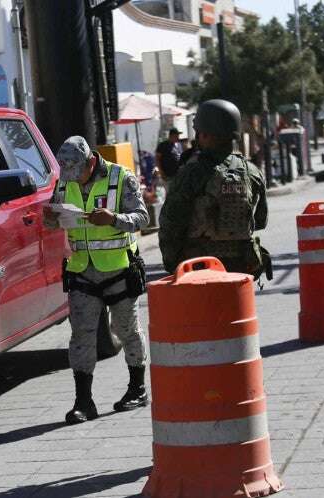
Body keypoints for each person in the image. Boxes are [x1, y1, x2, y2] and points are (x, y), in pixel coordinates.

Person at [44, 136, 149, 425]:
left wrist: (114, 218)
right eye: (67, 172)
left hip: (118, 269)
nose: (72, 178)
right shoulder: (65, 181)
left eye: (77, 171)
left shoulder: (120, 177)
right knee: (81, 336)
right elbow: (54, 218)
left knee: (126, 329)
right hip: (81, 270)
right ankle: (83, 401)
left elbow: (142, 218)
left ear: (91, 161)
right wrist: (50, 218)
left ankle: (137, 389)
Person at [158, 99, 270, 279]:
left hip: (199, 265)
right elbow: (261, 221)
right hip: (240, 266)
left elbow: (170, 222)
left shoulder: (191, 173)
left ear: (206, 134)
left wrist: (172, 263)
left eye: (199, 132)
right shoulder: (252, 171)